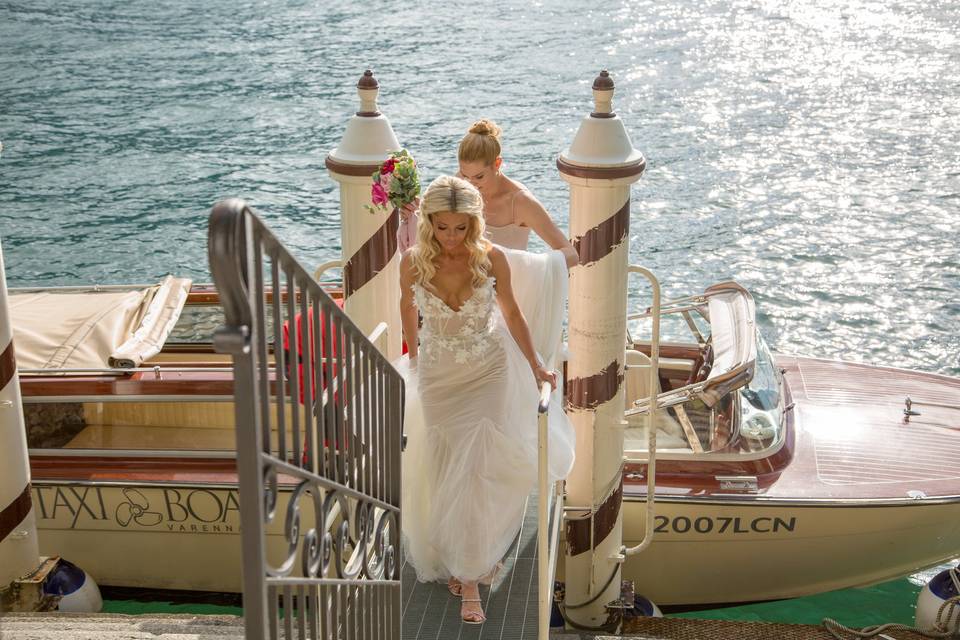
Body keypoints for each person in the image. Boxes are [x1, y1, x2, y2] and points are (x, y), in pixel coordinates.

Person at [397, 176, 574, 625]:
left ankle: (471, 577)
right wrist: (416, 360)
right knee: (446, 465)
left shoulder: (491, 258)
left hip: (488, 369)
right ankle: (467, 552)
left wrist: (536, 365)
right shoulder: (413, 262)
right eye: (442, 227)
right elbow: (406, 310)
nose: (452, 238)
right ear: (430, 223)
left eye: (460, 228)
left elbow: (512, 312)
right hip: (439, 375)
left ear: (474, 224)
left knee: (476, 467)